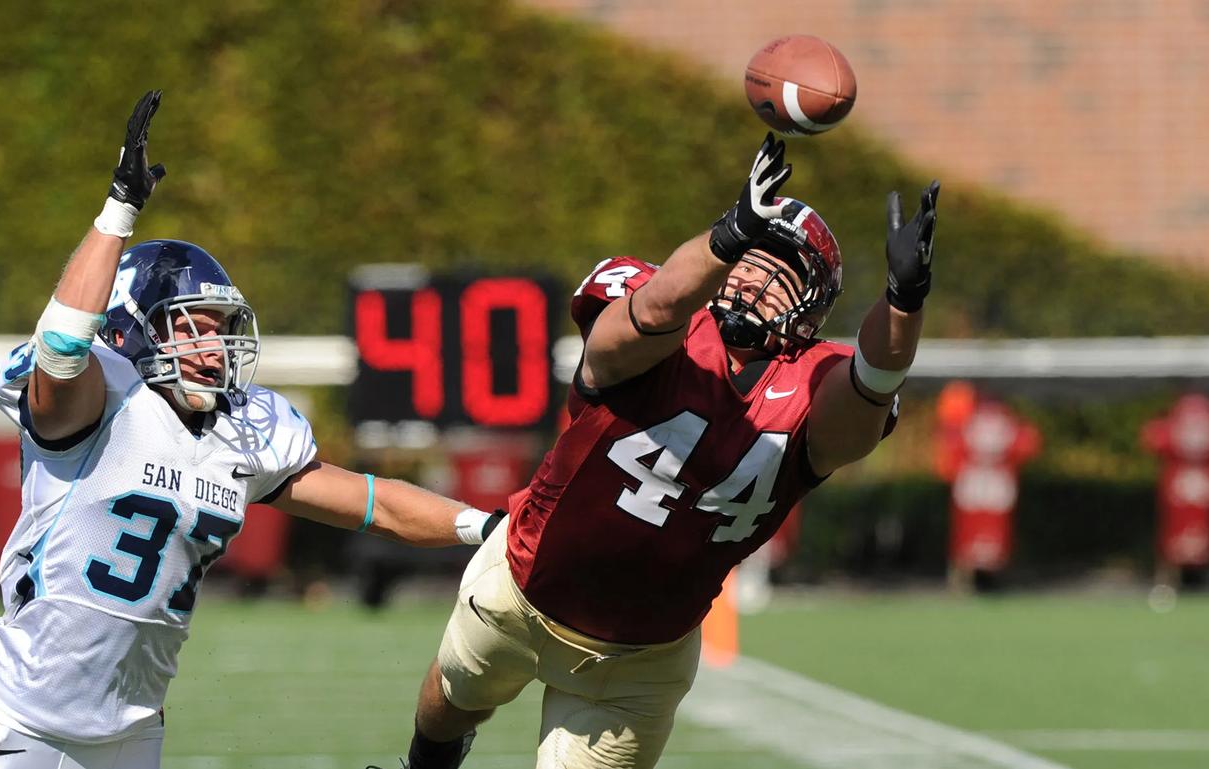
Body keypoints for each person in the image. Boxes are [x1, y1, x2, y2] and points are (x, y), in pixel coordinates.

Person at [0, 91, 503, 769]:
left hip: (130, 734)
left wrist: (485, 528)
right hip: (17, 719)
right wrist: (118, 210)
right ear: (133, 329)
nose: (210, 347)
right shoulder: (96, 402)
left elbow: (373, 502)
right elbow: (59, 348)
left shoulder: (244, 430)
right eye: (189, 327)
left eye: (220, 329)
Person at [385, 133, 940, 769]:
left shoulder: (814, 380)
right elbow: (650, 312)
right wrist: (725, 236)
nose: (757, 282)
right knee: (451, 700)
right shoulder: (669, 324)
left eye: (782, 277)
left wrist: (903, 304)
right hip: (521, 585)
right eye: (750, 262)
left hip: (641, 659)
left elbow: (869, 392)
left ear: (811, 310)